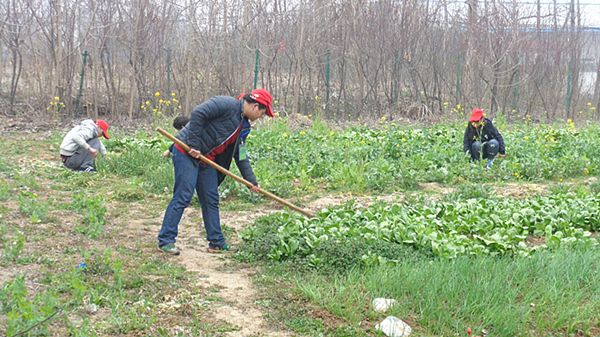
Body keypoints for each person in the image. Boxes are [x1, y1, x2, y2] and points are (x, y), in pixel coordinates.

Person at [157, 89, 274, 255]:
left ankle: (216, 242)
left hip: (206, 160)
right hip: (186, 152)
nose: (260, 117)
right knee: (184, 195)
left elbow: (240, 155)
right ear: (256, 106)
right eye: (262, 113)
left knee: (211, 198)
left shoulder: (244, 127)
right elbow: (198, 114)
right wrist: (194, 145)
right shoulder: (227, 104)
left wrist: (251, 181)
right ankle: (166, 240)